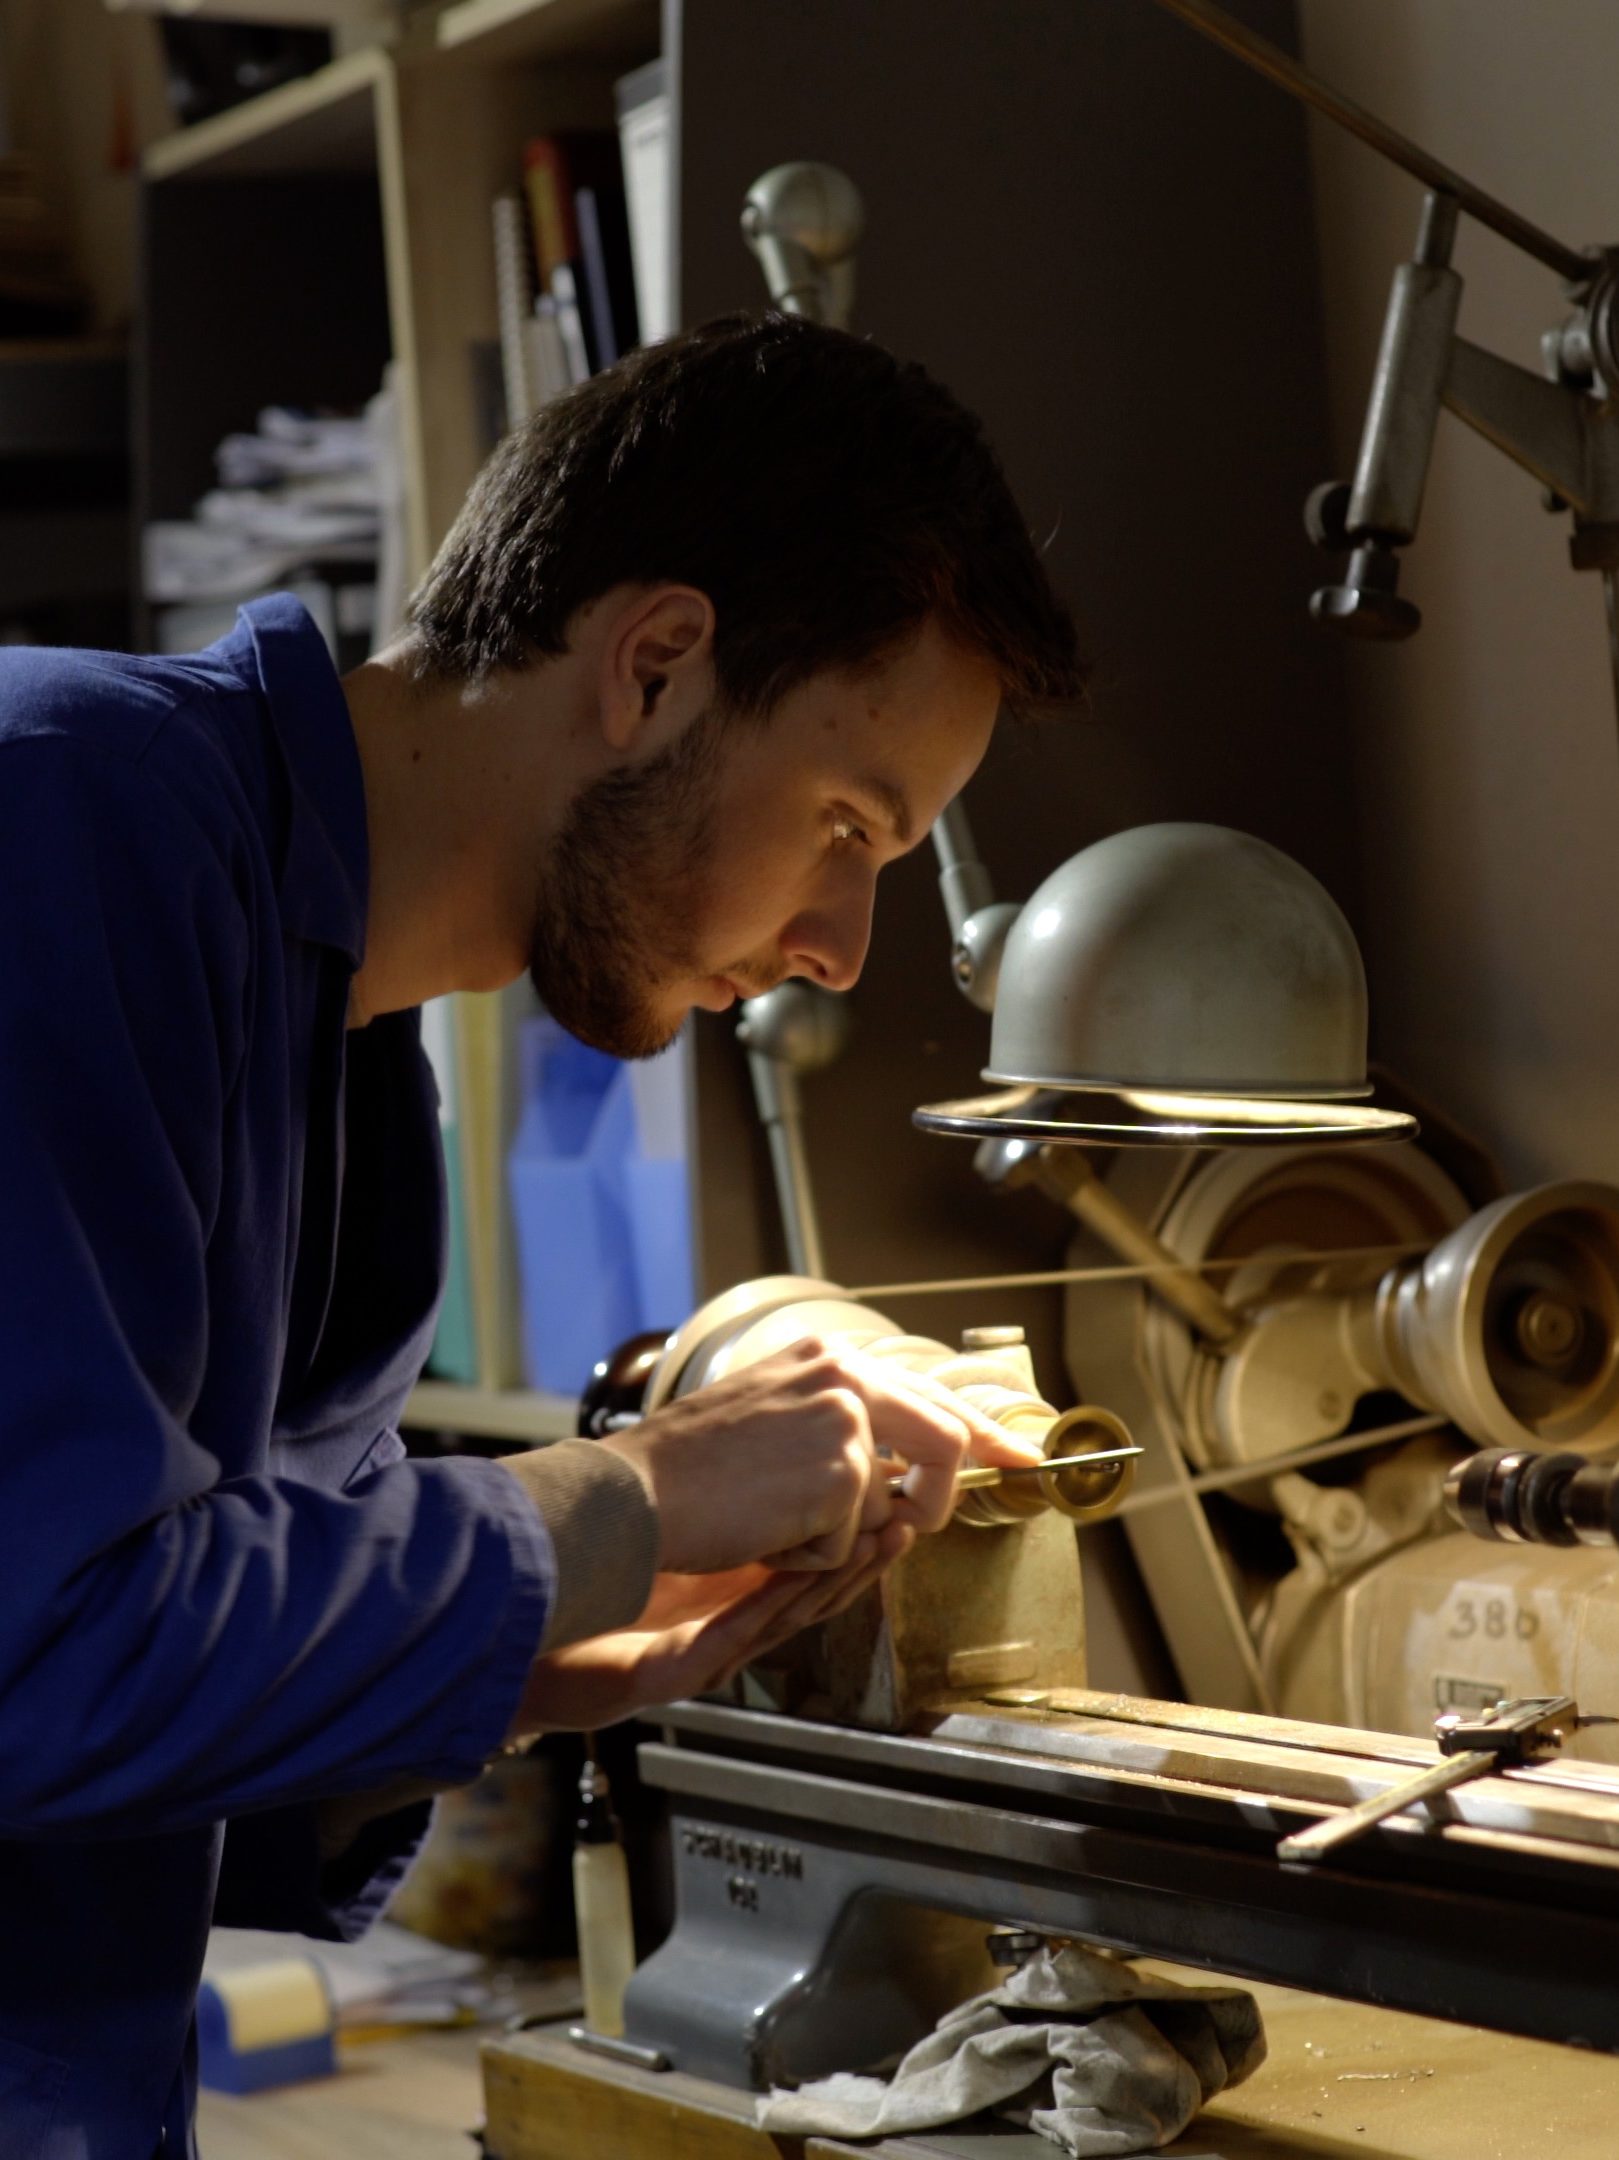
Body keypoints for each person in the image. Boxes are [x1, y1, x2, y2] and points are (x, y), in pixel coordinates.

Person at [0, 311, 1083, 2155]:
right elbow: (44, 1658)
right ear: (655, 662)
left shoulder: (349, 1062)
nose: (838, 946)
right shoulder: (57, 823)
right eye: (843, 825)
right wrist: (631, 1496)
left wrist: (565, 1654)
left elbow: (167, 1750)